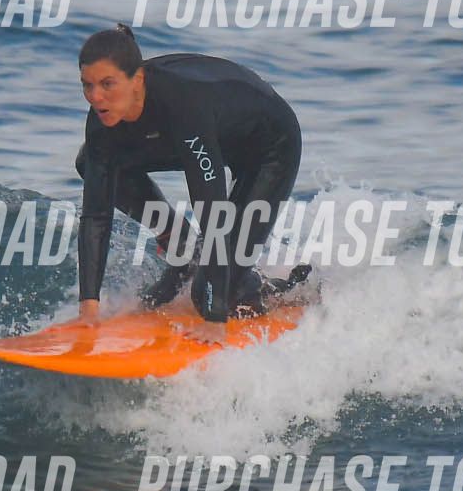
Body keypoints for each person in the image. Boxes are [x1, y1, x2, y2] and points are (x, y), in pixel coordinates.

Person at [75, 25, 303, 331]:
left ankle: (289, 293)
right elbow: (95, 216)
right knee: (90, 162)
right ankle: (182, 244)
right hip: (215, 137)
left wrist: (215, 317)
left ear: (137, 79)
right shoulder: (102, 119)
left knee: (212, 296)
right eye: (87, 85)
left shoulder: (181, 105)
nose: (95, 97)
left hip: (270, 147)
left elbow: (211, 209)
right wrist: (88, 310)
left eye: (107, 84)